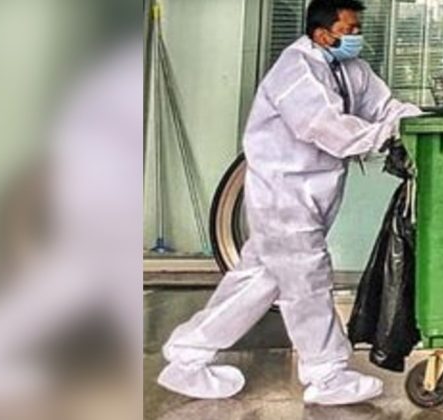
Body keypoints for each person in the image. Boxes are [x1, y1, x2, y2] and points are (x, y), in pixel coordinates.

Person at [156, 0, 422, 405]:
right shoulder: (295, 72)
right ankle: (327, 374)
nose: (356, 37)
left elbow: (384, 106)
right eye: (349, 30)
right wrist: (382, 135)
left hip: (311, 196)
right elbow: (326, 126)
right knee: (308, 281)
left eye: (357, 28)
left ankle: (187, 355)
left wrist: (422, 122)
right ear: (322, 33)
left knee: (258, 281)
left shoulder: (349, 69)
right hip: (284, 196)